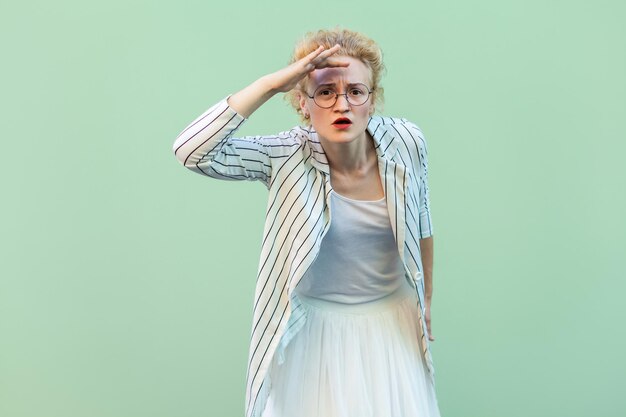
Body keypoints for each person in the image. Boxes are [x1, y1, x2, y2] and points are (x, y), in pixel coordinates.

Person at [172, 27, 441, 417]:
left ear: (372, 99)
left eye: (355, 91)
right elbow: (191, 151)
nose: (342, 105)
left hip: (391, 325)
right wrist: (270, 84)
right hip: (315, 332)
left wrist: (426, 297)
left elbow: (422, 219)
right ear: (302, 102)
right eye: (325, 92)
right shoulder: (284, 155)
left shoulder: (406, 140)